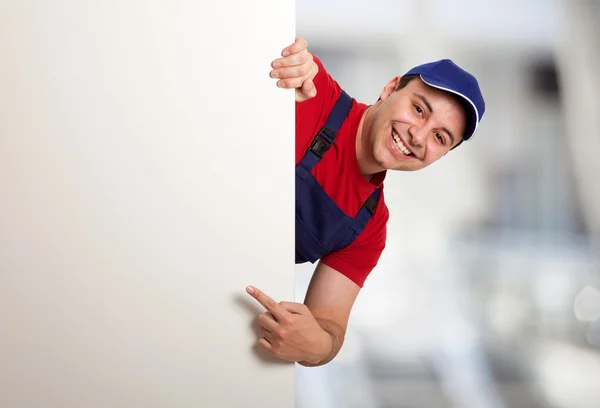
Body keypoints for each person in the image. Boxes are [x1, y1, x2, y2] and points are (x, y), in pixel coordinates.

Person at [246, 36, 485, 367]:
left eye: (439, 137)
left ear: (441, 155)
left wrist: (316, 348)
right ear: (389, 89)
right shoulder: (309, 92)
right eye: (418, 109)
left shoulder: (369, 227)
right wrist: (276, 55)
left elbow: (330, 325)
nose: (418, 136)